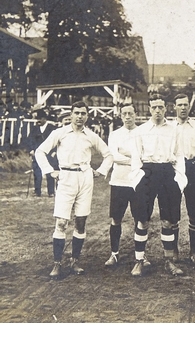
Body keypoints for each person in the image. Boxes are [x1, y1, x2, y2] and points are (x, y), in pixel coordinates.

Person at [35, 101, 113, 279]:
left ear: (87, 116)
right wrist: (50, 171)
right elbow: (40, 151)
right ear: (71, 114)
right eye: (76, 113)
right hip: (65, 178)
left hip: (85, 178)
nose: (80, 116)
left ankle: (75, 261)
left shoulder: (91, 135)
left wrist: (100, 171)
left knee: (80, 222)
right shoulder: (60, 133)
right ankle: (57, 263)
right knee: (61, 222)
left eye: (83, 113)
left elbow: (108, 154)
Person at [130, 94, 186, 276]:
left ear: (166, 108)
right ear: (148, 108)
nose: (157, 111)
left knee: (168, 220)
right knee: (143, 220)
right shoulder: (140, 130)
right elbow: (135, 157)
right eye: (154, 107)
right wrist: (138, 178)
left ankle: (168, 261)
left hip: (167, 173)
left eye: (161, 107)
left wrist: (179, 179)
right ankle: (139, 260)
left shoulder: (174, 130)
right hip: (147, 173)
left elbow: (179, 155)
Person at [104, 103, 139, 267]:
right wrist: (134, 159)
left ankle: (141, 255)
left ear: (135, 114)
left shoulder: (143, 132)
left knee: (140, 219)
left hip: (138, 181)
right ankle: (114, 253)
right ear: (120, 115)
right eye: (124, 114)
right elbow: (113, 156)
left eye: (130, 113)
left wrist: (126, 154)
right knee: (116, 218)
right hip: (119, 181)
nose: (127, 117)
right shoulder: (115, 134)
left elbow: (146, 155)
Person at [174, 93, 195, 263]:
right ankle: (175, 250)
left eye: (186, 104)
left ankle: (193, 251)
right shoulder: (170, 127)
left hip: (193, 169)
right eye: (180, 105)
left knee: (194, 212)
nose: (183, 108)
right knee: (174, 213)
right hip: (176, 170)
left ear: (189, 106)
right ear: (175, 107)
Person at [28, 109, 57, 197]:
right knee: (37, 172)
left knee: (50, 172)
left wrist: (54, 151)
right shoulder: (34, 129)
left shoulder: (52, 129)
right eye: (37, 119)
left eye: (40, 119)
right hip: (37, 154)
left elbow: (56, 141)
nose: (38, 121)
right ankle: (37, 191)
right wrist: (31, 150)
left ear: (44, 119)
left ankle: (51, 192)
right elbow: (30, 140)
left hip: (49, 154)